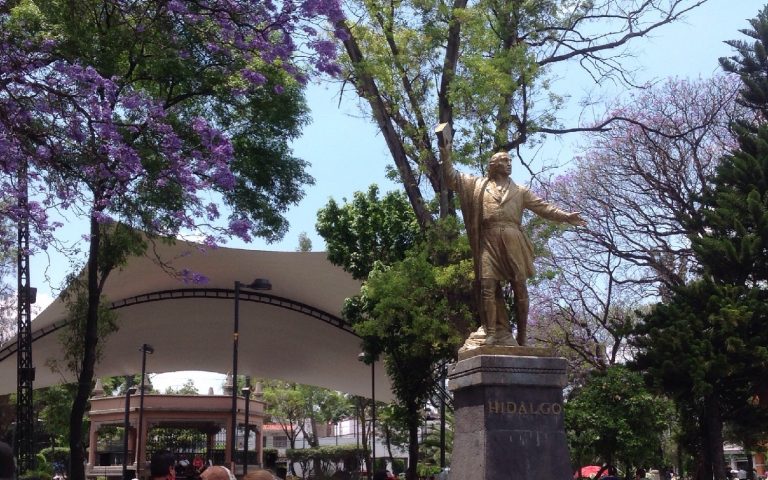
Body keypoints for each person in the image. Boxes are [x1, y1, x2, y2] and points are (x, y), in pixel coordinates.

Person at [440, 139, 585, 347]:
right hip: (489, 240)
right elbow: (452, 178)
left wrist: (565, 217)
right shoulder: (478, 185)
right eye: (504, 161)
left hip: (512, 237)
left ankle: (523, 336)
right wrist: (445, 152)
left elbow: (543, 207)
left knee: (520, 286)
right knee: (487, 286)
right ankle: (491, 333)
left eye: (510, 161)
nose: (509, 164)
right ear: (494, 165)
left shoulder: (520, 191)